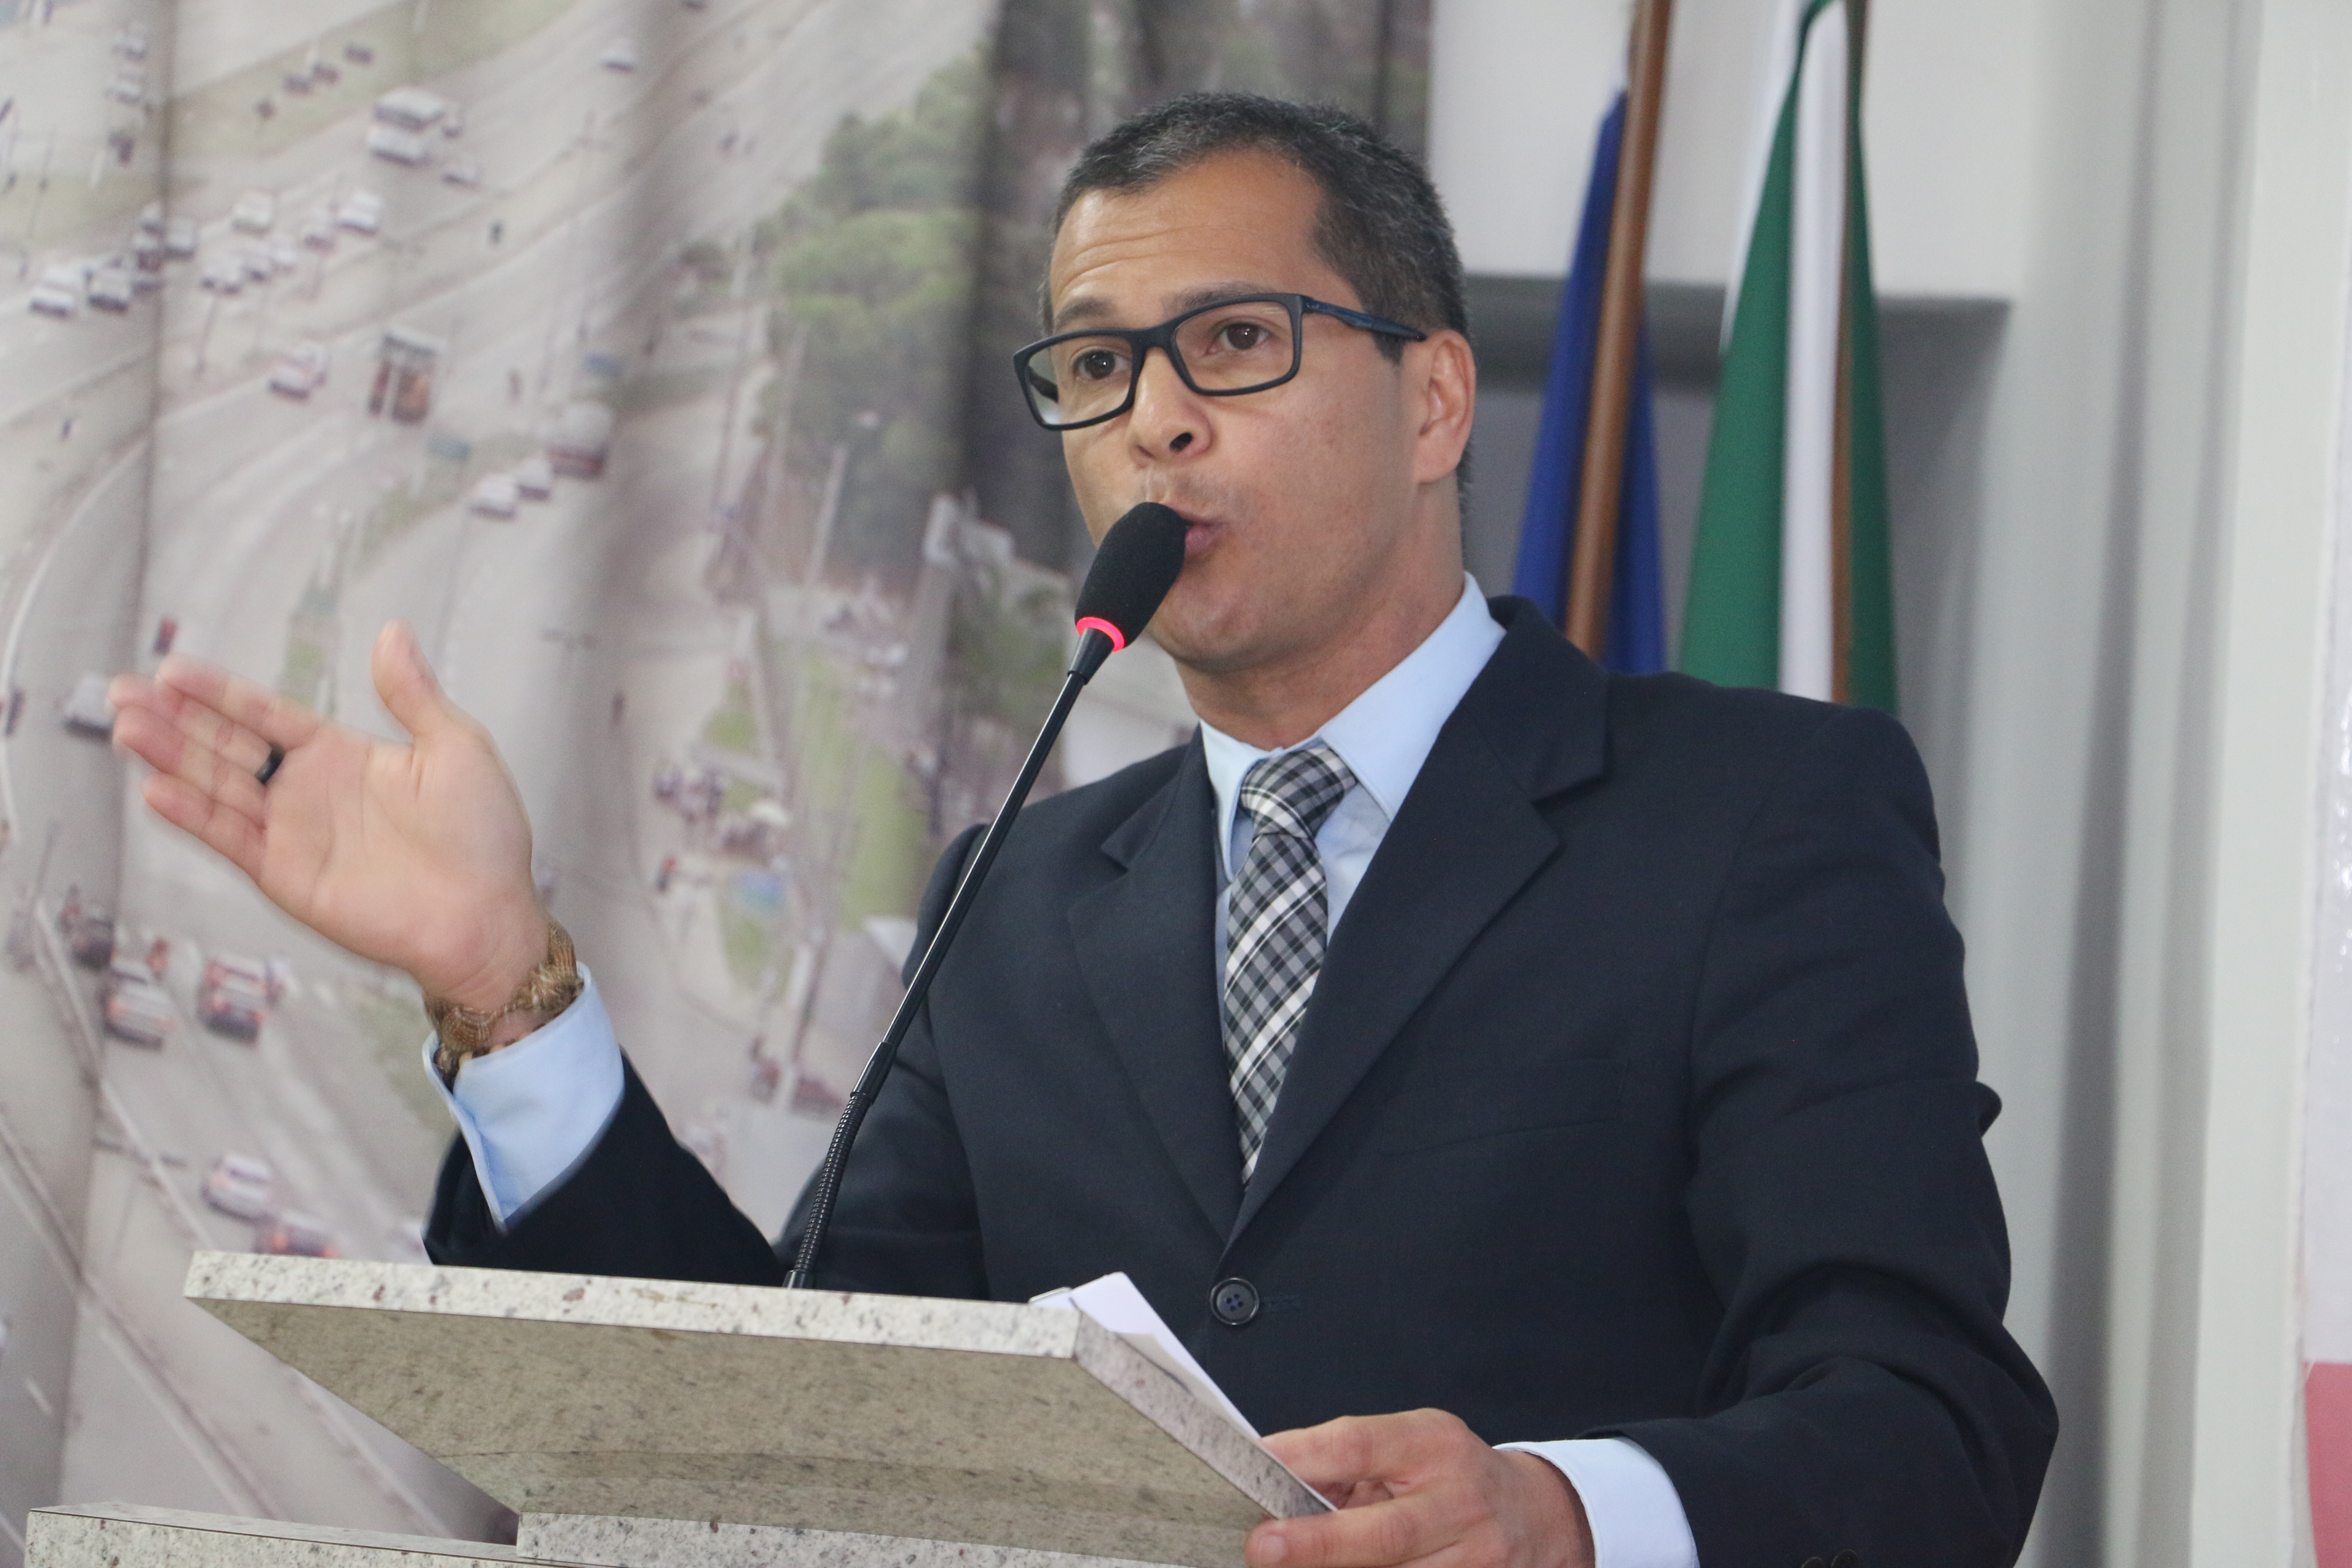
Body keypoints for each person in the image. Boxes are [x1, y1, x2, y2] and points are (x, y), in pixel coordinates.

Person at [109, 95, 2054, 1568]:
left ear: (1437, 400)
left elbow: (1932, 1419)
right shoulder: (1022, 899)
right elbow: (785, 1413)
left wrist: (1564, 1512)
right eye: (1100, 365)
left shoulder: (1753, 818)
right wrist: (504, 988)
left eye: (1235, 342)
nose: (1154, 423)